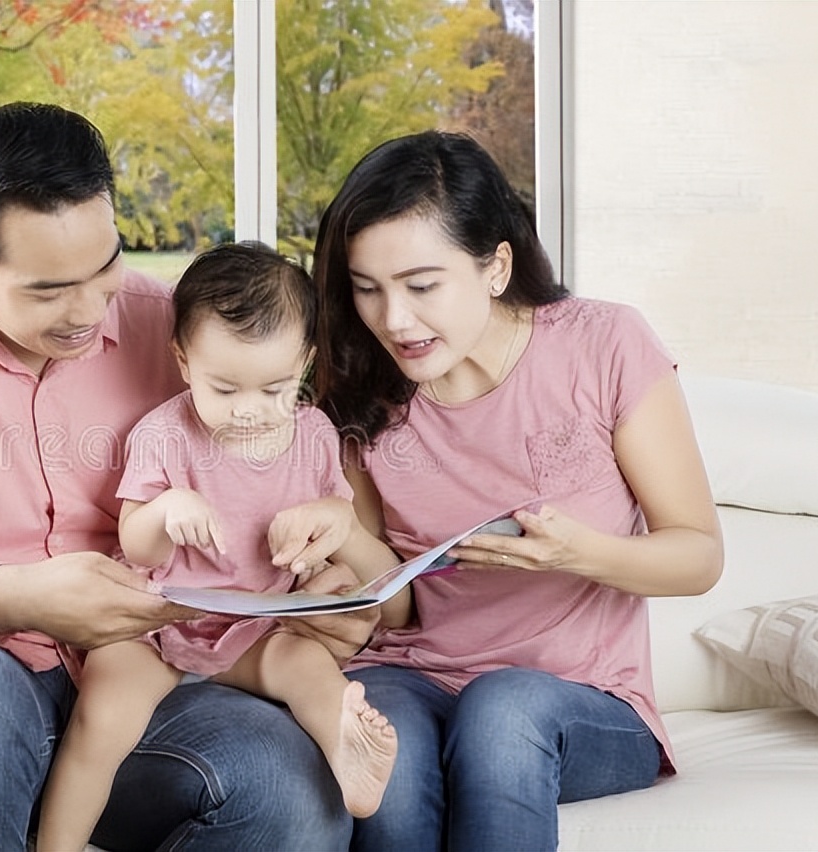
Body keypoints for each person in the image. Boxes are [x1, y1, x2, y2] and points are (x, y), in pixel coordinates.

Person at [0, 102, 372, 852]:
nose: (93, 309)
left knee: (288, 790)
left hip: (141, 667)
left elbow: (276, 464)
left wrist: (314, 588)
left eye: (106, 267)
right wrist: (18, 594)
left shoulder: (176, 326)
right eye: (47, 290)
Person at [310, 130, 725, 852]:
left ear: (496, 266)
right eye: (367, 288)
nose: (393, 319)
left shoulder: (605, 345)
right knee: (384, 745)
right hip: (414, 676)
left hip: (582, 697)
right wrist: (336, 544)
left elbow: (698, 557)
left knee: (501, 712)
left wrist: (578, 552)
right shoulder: (358, 389)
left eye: (421, 285)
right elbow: (394, 608)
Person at [36, 243, 403, 851]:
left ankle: (348, 750)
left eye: (276, 388)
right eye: (226, 389)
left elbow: (336, 525)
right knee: (103, 717)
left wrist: (321, 529)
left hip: (254, 626)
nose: (251, 412)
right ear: (183, 361)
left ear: (306, 364)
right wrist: (165, 511)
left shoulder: (312, 434)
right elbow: (136, 544)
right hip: (156, 621)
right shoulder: (164, 433)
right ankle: (57, 846)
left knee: (306, 667)